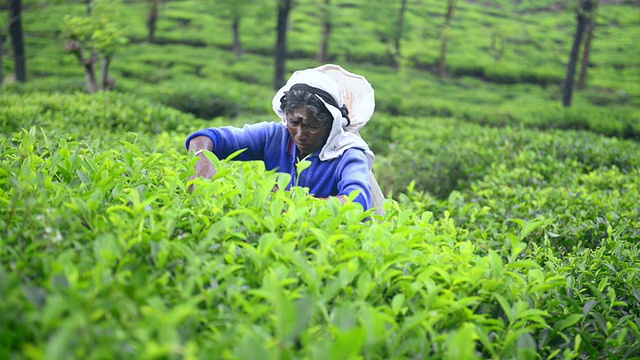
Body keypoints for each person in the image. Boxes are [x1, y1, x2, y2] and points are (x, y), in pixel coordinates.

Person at [185, 64, 384, 214]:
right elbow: (205, 138)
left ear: (330, 125)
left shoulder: (349, 154)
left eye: (312, 127)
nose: (300, 135)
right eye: (294, 123)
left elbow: (356, 203)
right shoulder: (274, 137)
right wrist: (203, 165)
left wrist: (294, 202)